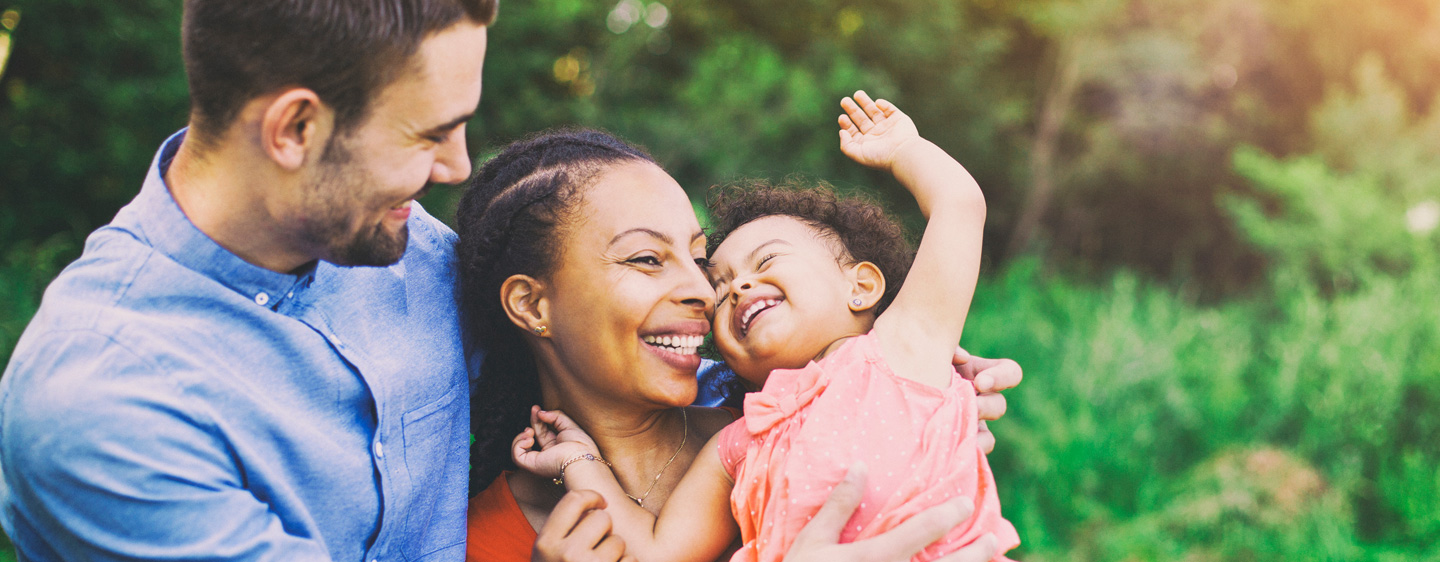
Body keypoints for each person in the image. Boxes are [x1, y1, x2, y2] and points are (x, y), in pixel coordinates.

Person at [0, 0, 494, 558]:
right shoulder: (103, 401)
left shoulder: (402, 243)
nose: (456, 168)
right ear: (295, 128)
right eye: (430, 135)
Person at [458, 129, 1023, 562]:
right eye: (647, 258)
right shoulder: (486, 541)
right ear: (533, 306)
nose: (704, 291)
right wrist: (578, 462)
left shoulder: (772, 416)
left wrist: (927, 390)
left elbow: (958, 210)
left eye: (699, 262)